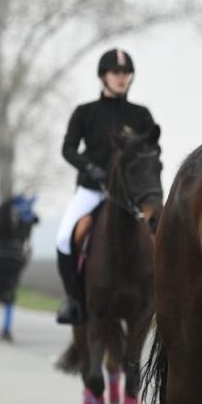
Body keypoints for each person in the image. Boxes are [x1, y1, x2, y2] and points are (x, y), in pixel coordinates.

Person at [54, 48, 159, 324]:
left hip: (131, 195)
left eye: (126, 73)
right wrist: (90, 168)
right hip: (92, 190)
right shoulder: (85, 112)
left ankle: (163, 299)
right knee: (64, 238)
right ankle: (74, 300)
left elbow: (152, 149)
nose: (121, 77)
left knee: (161, 235)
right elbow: (68, 149)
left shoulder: (141, 115)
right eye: (116, 72)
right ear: (103, 76)